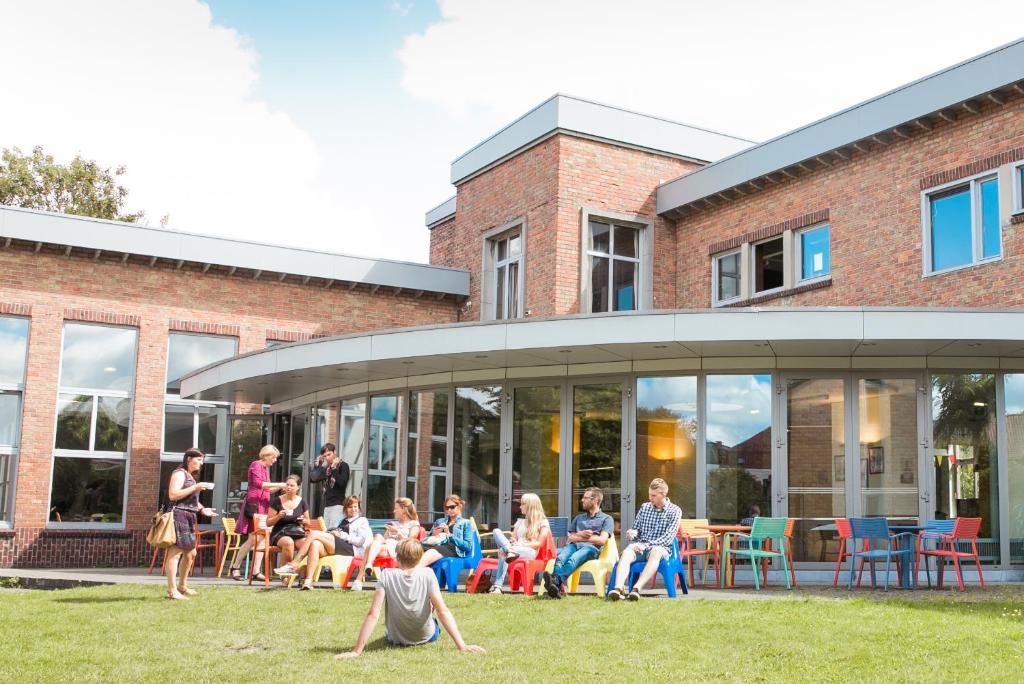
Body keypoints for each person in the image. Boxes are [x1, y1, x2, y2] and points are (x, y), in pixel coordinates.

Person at [335, 539, 485, 659]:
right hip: (426, 635)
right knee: (433, 612)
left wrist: (357, 651)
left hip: (395, 638)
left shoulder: (386, 575)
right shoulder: (428, 573)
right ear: (419, 558)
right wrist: (462, 646)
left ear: (397, 559)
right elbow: (443, 611)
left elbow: (373, 615)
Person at [607, 478, 682, 601]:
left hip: (660, 548)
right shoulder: (645, 507)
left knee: (656, 552)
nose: (650, 498)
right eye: (649, 494)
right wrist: (632, 533)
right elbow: (637, 529)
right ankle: (617, 589)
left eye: (653, 495)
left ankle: (636, 589)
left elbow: (668, 538)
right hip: (640, 546)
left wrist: (646, 546)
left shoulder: (675, 511)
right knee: (626, 552)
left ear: (663, 494)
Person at [275, 495, 371, 590]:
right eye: (350, 507)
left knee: (313, 534)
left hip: (351, 548)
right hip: (338, 545)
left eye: (355, 507)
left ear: (359, 508)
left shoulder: (362, 521)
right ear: (345, 509)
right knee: (315, 544)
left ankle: (294, 564)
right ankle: (308, 581)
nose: (353, 509)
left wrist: (342, 535)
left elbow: (360, 541)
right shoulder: (343, 520)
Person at [164, 448, 219, 600]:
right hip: (178, 515)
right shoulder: (179, 473)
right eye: (199, 460)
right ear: (189, 459)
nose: (201, 463)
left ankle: (182, 586)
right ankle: (172, 591)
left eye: (202, 460)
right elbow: (173, 494)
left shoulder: (189, 476)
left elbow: (191, 499)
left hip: (189, 516)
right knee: (175, 553)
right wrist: (195, 487)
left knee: (191, 553)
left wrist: (202, 509)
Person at [227, 445, 286, 581]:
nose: (275, 460)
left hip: (263, 506)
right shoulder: (256, 465)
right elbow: (260, 484)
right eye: (274, 457)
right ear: (266, 455)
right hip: (254, 506)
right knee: (253, 538)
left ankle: (255, 571)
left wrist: (281, 487)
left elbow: (267, 490)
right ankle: (235, 567)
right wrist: (280, 484)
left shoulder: (265, 469)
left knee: (262, 538)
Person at [543, 486, 613, 598]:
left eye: (585, 498)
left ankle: (556, 582)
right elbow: (570, 538)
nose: (582, 500)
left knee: (573, 559)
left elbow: (601, 540)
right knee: (560, 558)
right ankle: (556, 586)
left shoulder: (607, 519)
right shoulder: (578, 518)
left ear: (595, 500)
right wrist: (580, 535)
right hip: (574, 545)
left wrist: (579, 537)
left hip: (591, 549)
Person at [351, 497, 421, 591]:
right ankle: (368, 566)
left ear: (404, 509)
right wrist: (388, 533)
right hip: (386, 547)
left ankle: (360, 578)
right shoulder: (394, 523)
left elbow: (410, 542)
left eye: (396, 508)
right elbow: (384, 540)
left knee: (369, 547)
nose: (394, 511)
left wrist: (397, 532)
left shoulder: (413, 524)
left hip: (400, 549)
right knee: (377, 537)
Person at [487, 492, 549, 594]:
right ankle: (509, 551)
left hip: (530, 551)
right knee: (496, 531)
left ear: (530, 506)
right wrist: (513, 541)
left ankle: (498, 587)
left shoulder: (543, 522)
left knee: (503, 551)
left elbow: (539, 543)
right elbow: (514, 538)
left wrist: (520, 544)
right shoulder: (520, 522)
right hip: (514, 550)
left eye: (522, 504)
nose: (520, 507)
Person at [266, 474, 309, 582]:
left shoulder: (302, 501)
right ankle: (286, 576)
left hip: (296, 531)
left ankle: (303, 576)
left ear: (298, 487)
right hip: (280, 532)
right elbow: (268, 523)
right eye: (287, 485)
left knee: (307, 544)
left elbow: (308, 521)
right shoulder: (277, 501)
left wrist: (303, 521)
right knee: (288, 542)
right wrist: (278, 516)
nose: (288, 487)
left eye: (292, 485)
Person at [415, 495, 475, 571]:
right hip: (435, 545)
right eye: (447, 508)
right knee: (415, 547)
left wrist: (449, 534)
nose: (449, 510)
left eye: (452, 507)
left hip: (452, 548)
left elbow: (467, 546)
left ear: (459, 506)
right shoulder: (440, 521)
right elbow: (428, 538)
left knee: (431, 552)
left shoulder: (466, 523)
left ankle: (412, 573)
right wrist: (434, 534)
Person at [309, 442, 349, 529]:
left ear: (335, 452)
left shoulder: (343, 466)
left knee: (334, 532)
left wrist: (334, 469)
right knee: (326, 532)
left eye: (329, 454)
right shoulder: (327, 469)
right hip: (327, 505)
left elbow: (342, 483)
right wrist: (318, 464)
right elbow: (313, 478)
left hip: (338, 505)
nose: (327, 458)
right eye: (324, 456)